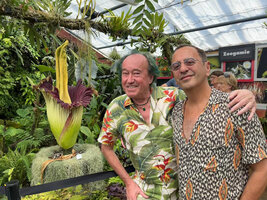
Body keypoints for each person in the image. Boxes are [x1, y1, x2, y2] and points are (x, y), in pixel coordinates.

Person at [97, 52, 257, 200]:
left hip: (186, 191)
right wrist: (128, 182)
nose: (129, 79)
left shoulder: (174, 97)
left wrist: (244, 95)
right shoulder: (116, 108)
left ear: (150, 77)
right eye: (125, 73)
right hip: (144, 192)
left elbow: (206, 99)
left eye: (136, 73)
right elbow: (106, 146)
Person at [170, 44, 267, 200]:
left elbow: (262, 169)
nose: (182, 69)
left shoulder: (235, 106)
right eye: (176, 66)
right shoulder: (176, 110)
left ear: (207, 68)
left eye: (189, 62)